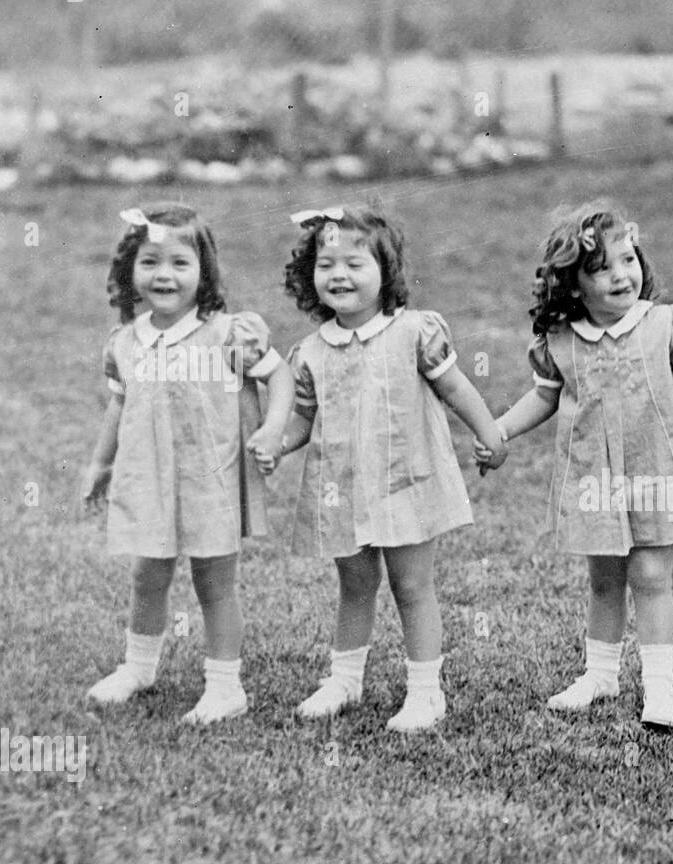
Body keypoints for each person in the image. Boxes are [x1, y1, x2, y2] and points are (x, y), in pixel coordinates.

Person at [477, 201, 673, 731]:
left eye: (627, 259)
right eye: (601, 267)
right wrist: (500, 430)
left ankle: (659, 690)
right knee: (604, 577)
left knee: (651, 574)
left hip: (656, 467)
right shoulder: (560, 342)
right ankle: (600, 674)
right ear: (573, 285)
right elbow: (544, 398)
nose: (621, 274)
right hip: (593, 474)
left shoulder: (665, 325)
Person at [273, 205, 506, 733]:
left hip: (405, 480)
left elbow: (455, 389)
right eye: (326, 264)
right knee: (354, 583)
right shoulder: (309, 352)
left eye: (355, 263)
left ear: (386, 272)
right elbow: (303, 421)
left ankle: (426, 692)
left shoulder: (415, 333)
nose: (339, 275)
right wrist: (274, 446)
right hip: (343, 488)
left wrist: (489, 432)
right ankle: (345, 679)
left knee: (411, 585)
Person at [84, 203, 293, 723]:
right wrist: (99, 464)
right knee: (146, 575)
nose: (164, 275)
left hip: (210, 478)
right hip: (149, 476)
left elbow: (280, 376)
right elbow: (119, 403)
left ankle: (226, 687)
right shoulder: (126, 342)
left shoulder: (227, 334)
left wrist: (271, 428)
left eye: (180, 263)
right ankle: (139, 666)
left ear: (204, 271)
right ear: (129, 269)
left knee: (214, 582)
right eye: (150, 262)